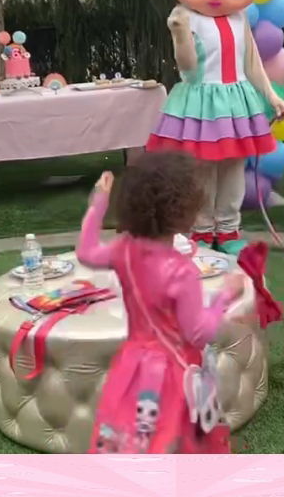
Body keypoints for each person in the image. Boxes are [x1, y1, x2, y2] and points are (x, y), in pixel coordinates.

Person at [141, 0, 284, 254]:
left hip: (236, 100)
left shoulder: (239, 17)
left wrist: (270, 96)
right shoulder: (184, 16)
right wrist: (181, 36)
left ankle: (228, 230)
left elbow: (251, 62)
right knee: (200, 171)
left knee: (232, 167)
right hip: (200, 101)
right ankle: (201, 229)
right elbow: (188, 68)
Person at [76, 153, 248, 453]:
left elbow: (87, 252)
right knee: (174, 441)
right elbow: (198, 333)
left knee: (129, 441)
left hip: (132, 365)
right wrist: (223, 298)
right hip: (173, 374)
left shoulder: (123, 249)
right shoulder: (182, 272)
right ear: (186, 213)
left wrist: (98, 204)